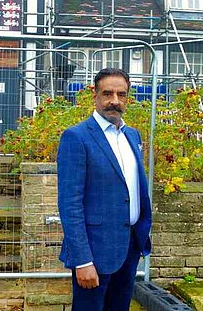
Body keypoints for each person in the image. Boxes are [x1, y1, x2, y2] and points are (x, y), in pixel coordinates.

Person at [57, 68, 152, 311]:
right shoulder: (76, 137)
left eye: (121, 94)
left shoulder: (132, 135)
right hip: (95, 252)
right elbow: (70, 204)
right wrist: (82, 260)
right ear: (95, 96)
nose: (115, 101)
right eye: (107, 93)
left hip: (129, 247)